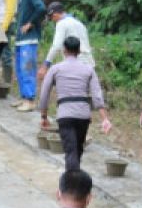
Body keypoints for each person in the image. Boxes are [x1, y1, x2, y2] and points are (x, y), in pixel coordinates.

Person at [38, 36, 112, 171]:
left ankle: (71, 186)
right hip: (83, 115)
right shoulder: (88, 69)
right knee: (77, 150)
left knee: (70, 152)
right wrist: (104, 119)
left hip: (65, 115)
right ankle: (74, 182)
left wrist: (44, 116)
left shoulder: (55, 69)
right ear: (79, 51)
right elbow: (97, 96)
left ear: (64, 50)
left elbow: (44, 94)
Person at [9, 0, 45, 112]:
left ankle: (30, 100)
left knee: (27, 69)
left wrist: (31, 23)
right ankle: (23, 97)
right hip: (20, 39)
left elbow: (41, 8)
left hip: (29, 40)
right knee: (19, 69)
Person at [40, 2, 93, 74]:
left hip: (76, 62)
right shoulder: (78, 22)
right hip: (88, 61)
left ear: (55, 15)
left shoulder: (61, 23)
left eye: (51, 18)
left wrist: (46, 64)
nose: (52, 20)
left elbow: (56, 46)